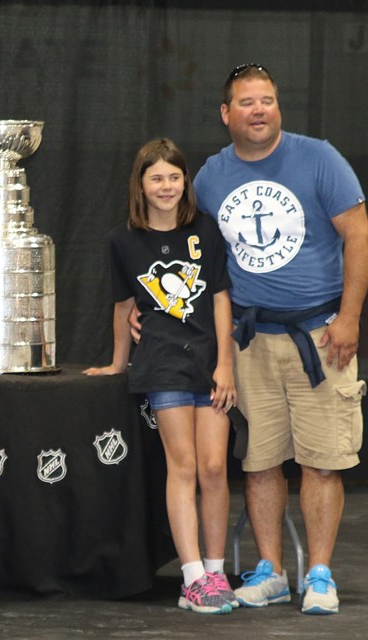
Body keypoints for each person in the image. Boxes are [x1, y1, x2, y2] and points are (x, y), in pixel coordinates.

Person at [193, 63, 368, 615]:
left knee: (322, 461)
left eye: (267, 100)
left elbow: (361, 237)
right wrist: (141, 310)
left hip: (320, 337)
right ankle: (270, 570)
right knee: (260, 462)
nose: (258, 110)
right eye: (246, 102)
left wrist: (349, 318)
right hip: (249, 339)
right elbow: (191, 257)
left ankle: (319, 574)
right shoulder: (209, 177)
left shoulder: (318, 158)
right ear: (226, 114)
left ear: (279, 108)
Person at [85, 138, 238, 615]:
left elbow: (218, 298)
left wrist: (226, 363)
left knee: (214, 467)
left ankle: (215, 570)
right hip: (162, 363)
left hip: (208, 365)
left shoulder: (206, 232)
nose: (167, 186)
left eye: (174, 176)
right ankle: (192, 577)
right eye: (157, 178)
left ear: (184, 182)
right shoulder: (123, 240)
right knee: (184, 466)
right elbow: (123, 307)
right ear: (141, 185)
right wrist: (116, 362)